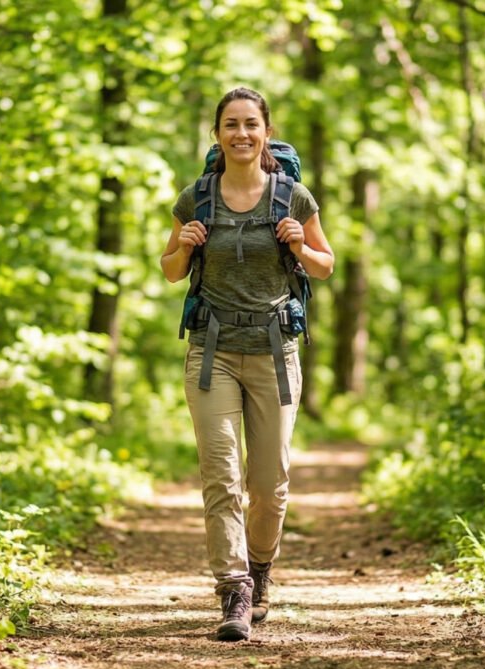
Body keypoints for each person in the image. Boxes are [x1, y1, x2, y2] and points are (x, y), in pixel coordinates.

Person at [161, 87, 334, 641]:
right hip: (212, 354)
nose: (240, 133)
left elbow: (326, 265)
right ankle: (233, 589)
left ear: (265, 131)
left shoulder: (292, 197)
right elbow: (168, 270)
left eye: (250, 124)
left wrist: (300, 248)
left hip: (276, 353)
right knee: (221, 474)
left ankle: (260, 569)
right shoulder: (196, 198)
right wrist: (183, 246)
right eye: (230, 125)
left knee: (270, 483)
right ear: (217, 134)